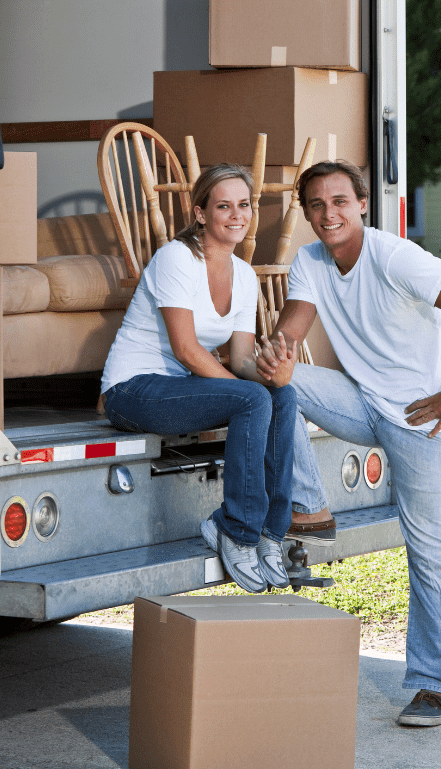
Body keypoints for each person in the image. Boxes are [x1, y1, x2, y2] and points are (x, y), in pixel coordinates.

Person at [256, 160, 441, 727]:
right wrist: (275, 354)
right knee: (269, 385)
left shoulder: (393, 256)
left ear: (362, 204)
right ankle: (310, 507)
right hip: (363, 402)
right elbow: (291, 331)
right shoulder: (311, 261)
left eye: (339, 201)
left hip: (421, 420)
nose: (327, 214)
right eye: (315, 205)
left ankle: (435, 687)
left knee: (427, 548)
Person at [101, 164, 299, 594]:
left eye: (244, 205)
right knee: (253, 399)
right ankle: (237, 531)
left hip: (182, 390)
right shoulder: (177, 257)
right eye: (223, 205)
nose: (236, 214)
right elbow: (187, 350)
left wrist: (270, 373)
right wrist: (247, 390)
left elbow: (243, 359)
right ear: (201, 213)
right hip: (133, 390)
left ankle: (270, 532)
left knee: (282, 396)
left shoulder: (244, 276)